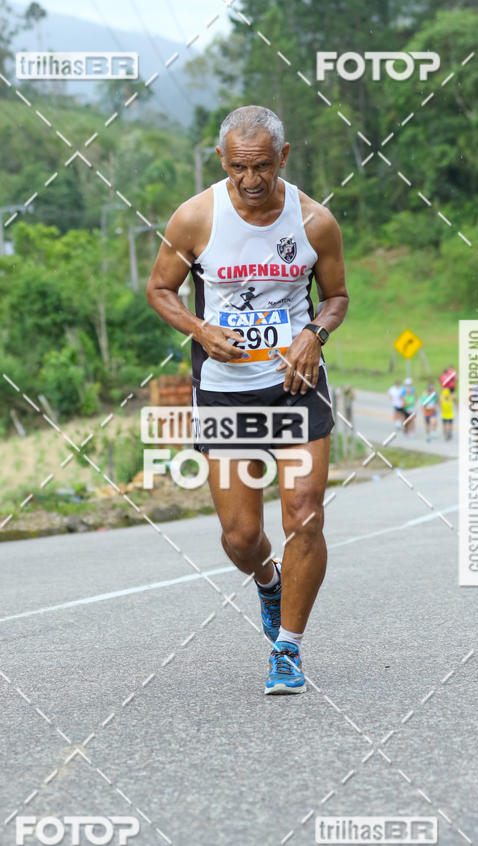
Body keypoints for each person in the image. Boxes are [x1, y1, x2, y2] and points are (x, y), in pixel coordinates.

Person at [146, 106, 349, 694]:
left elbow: (336, 297)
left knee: (305, 514)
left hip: (295, 387)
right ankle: (267, 580)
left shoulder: (314, 222)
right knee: (239, 536)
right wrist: (200, 329)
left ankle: (288, 649)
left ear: (283, 157)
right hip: (225, 392)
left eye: (262, 166)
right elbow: (160, 288)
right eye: (238, 167)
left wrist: (315, 334)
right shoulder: (195, 218)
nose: (251, 179)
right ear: (221, 160)